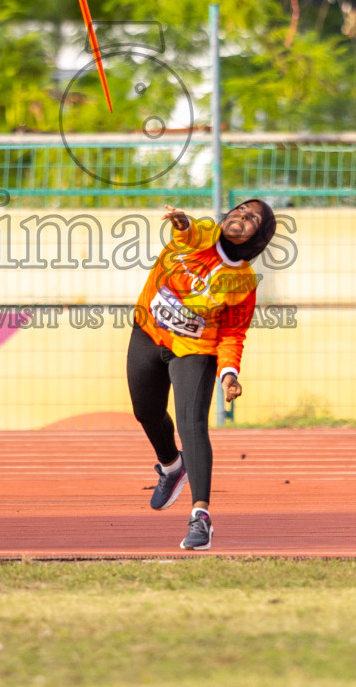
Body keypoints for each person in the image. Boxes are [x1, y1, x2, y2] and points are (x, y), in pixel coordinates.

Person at [128, 198, 276, 549]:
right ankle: (170, 466)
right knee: (145, 412)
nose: (241, 216)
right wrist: (180, 221)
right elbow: (187, 234)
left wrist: (229, 374)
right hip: (149, 332)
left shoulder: (242, 282)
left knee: (191, 425)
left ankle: (201, 517)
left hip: (196, 349)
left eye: (253, 218)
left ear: (258, 237)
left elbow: (233, 333)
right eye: (241, 209)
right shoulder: (204, 234)